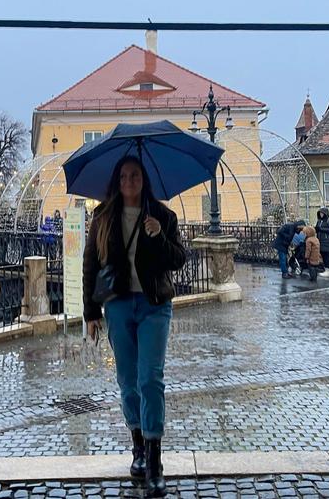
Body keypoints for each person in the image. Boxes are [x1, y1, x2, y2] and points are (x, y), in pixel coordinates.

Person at [83, 157, 186, 497]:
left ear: (144, 180)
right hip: (118, 306)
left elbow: (178, 260)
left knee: (150, 378)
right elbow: (90, 264)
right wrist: (91, 312)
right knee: (128, 381)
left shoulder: (163, 216)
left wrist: (157, 236)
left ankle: (155, 462)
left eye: (135, 175)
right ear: (117, 180)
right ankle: (138, 447)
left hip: (155, 305)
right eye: (124, 175)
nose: (129, 180)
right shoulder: (102, 217)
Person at [315, 207, 329, 278]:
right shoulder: (319, 221)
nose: (321, 214)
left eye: (322, 213)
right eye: (320, 213)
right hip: (320, 241)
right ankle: (326, 269)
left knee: (327, 256)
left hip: (327, 241)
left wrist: (320, 229)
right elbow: (317, 229)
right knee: (323, 255)